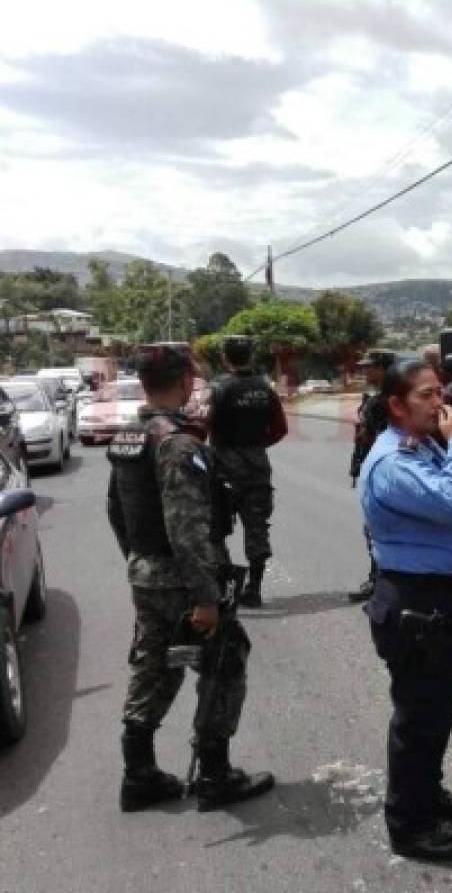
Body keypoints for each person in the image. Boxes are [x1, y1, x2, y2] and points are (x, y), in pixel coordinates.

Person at [107, 343, 273, 813]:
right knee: (226, 661)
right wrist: (203, 597)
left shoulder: (128, 435)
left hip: (147, 575)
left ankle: (138, 774)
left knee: (153, 665)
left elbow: (116, 510)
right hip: (185, 581)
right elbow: (186, 529)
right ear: (184, 382)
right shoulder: (178, 444)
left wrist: (140, 563)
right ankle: (215, 776)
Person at [358, 359, 452, 862]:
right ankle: (409, 826)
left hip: (445, 598)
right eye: (427, 396)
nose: (440, 404)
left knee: (439, 708)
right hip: (418, 604)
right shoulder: (393, 463)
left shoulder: (423, 444)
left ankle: (425, 795)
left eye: (441, 394)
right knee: (419, 717)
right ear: (396, 406)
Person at [208, 335, 288, 608]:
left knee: (214, 528)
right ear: (250, 357)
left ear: (224, 357)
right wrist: (254, 446)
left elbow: (205, 424)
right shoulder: (265, 388)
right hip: (256, 466)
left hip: (222, 467)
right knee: (257, 529)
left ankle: (226, 586)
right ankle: (253, 589)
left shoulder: (218, 387)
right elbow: (280, 429)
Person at [349, 349, 397, 603]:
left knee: (377, 529)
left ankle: (380, 583)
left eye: (370, 367)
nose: (365, 371)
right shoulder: (383, 397)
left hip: (383, 472)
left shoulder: (386, 400)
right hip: (377, 469)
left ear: (384, 368)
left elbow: (377, 438)